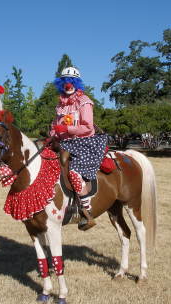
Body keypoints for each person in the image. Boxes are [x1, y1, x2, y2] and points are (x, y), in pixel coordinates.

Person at [50, 67, 107, 229]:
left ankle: (86, 212)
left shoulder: (84, 101)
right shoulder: (60, 104)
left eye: (71, 82)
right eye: (64, 82)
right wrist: (54, 132)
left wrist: (67, 129)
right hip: (63, 143)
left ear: (76, 83)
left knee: (74, 173)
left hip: (84, 143)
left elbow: (88, 127)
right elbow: (55, 125)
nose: (68, 85)